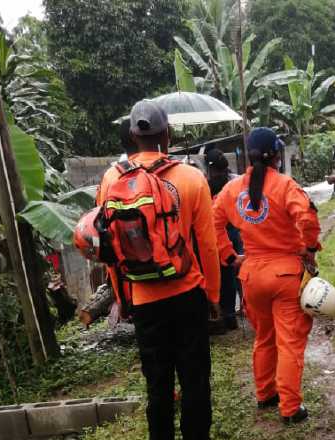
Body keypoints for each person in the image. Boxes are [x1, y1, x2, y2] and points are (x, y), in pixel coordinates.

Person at [97, 100, 221, 440]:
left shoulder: (110, 181)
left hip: (143, 297)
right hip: (186, 294)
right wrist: (212, 295)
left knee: (158, 383)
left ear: (133, 135)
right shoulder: (191, 177)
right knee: (194, 379)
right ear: (167, 133)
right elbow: (207, 245)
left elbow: (109, 248)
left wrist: (122, 297)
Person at [213, 127, 321, 425]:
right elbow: (308, 217)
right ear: (276, 155)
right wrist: (310, 249)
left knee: (264, 337)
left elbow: (213, 221)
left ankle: (265, 393)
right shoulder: (285, 186)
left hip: (251, 276)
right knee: (289, 341)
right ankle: (289, 407)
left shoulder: (233, 190)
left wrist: (230, 256)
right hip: (285, 275)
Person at [205, 148, 244, 333]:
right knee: (238, 271)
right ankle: (238, 311)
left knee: (222, 273)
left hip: (217, 233)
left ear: (209, 167)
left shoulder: (205, 185)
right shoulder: (236, 181)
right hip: (235, 230)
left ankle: (223, 315)